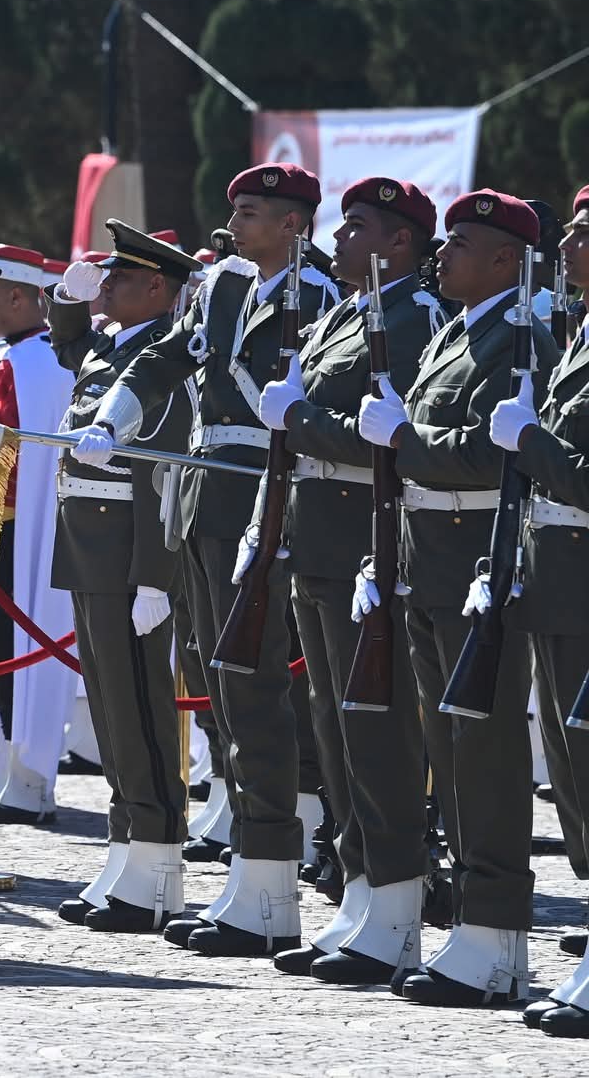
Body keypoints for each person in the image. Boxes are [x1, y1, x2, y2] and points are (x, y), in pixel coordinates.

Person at [71, 163, 340, 958]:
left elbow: (291, 406)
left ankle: (270, 882)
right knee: (224, 695)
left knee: (258, 696)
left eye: (252, 212)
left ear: (293, 224)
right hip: (203, 504)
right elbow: (168, 360)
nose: (236, 223)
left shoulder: (318, 295)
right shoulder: (225, 287)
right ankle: (250, 880)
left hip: (263, 501)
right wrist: (117, 417)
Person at [355, 188, 559, 1008]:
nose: (445, 254)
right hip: (428, 556)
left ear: (510, 261)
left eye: (464, 243)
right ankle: (476, 931)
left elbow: (490, 457)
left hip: (480, 556)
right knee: (448, 749)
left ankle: (496, 927)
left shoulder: (522, 337)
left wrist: (405, 439)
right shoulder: (455, 330)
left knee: (486, 753)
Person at [253, 178, 441, 985]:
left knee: (378, 734)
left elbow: (384, 437)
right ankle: (360, 895)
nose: (339, 239)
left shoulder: (412, 316)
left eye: (357, 228)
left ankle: (397, 908)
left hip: (369, 544)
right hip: (319, 542)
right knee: (331, 730)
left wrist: (300, 419)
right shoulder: (342, 312)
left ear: (399, 243)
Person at [48, 221, 198, 934]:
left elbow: (164, 478)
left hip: (131, 557)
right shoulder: (113, 347)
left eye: (118, 277)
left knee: (139, 708)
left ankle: (158, 860)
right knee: (109, 706)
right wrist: (66, 301)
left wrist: (154, 579)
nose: (103, 285)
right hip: (89, 549)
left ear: (157, 288)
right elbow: (69, 343)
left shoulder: (164, 364)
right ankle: (125, 846)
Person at [490, 182, 589, 1037]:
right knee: (569, 767)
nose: (569, 244)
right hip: (554, 577)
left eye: (585, 233)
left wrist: (532, 440)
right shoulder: (572, 339)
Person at [0, 244, 78, 826]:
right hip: (30, 523)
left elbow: (6, 447)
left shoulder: (23, 361)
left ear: (19, 296)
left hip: (18, 527)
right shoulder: (40, 357)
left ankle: (25, 778)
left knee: (13, 653)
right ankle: (21, 773)